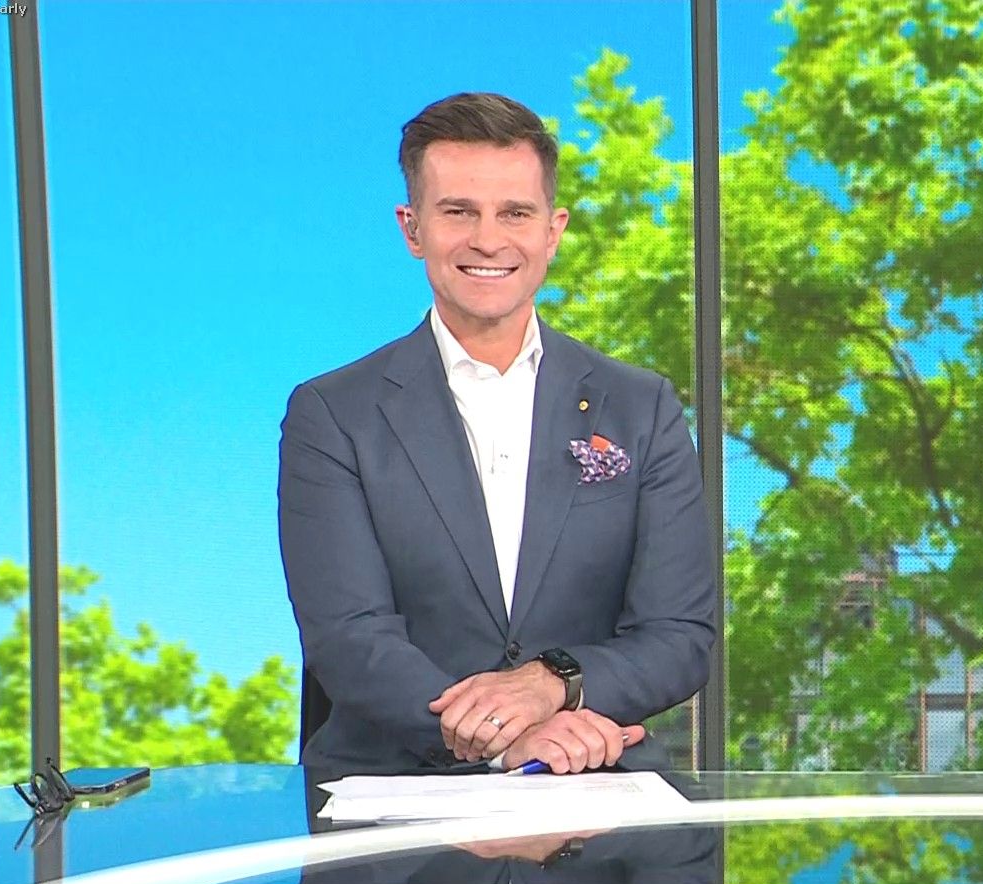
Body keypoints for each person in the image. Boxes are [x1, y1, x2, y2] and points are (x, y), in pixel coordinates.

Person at [280, 93, 715, 776]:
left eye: (515, 213)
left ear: (553, 231)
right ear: (412, 228)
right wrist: (502, 740)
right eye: (458, 212)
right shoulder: (332, 414)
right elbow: (349, 638)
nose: (488, 240)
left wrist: (553, 684)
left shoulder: (642, 407)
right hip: (395, 797)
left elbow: (679, 637)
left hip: (593, 780)